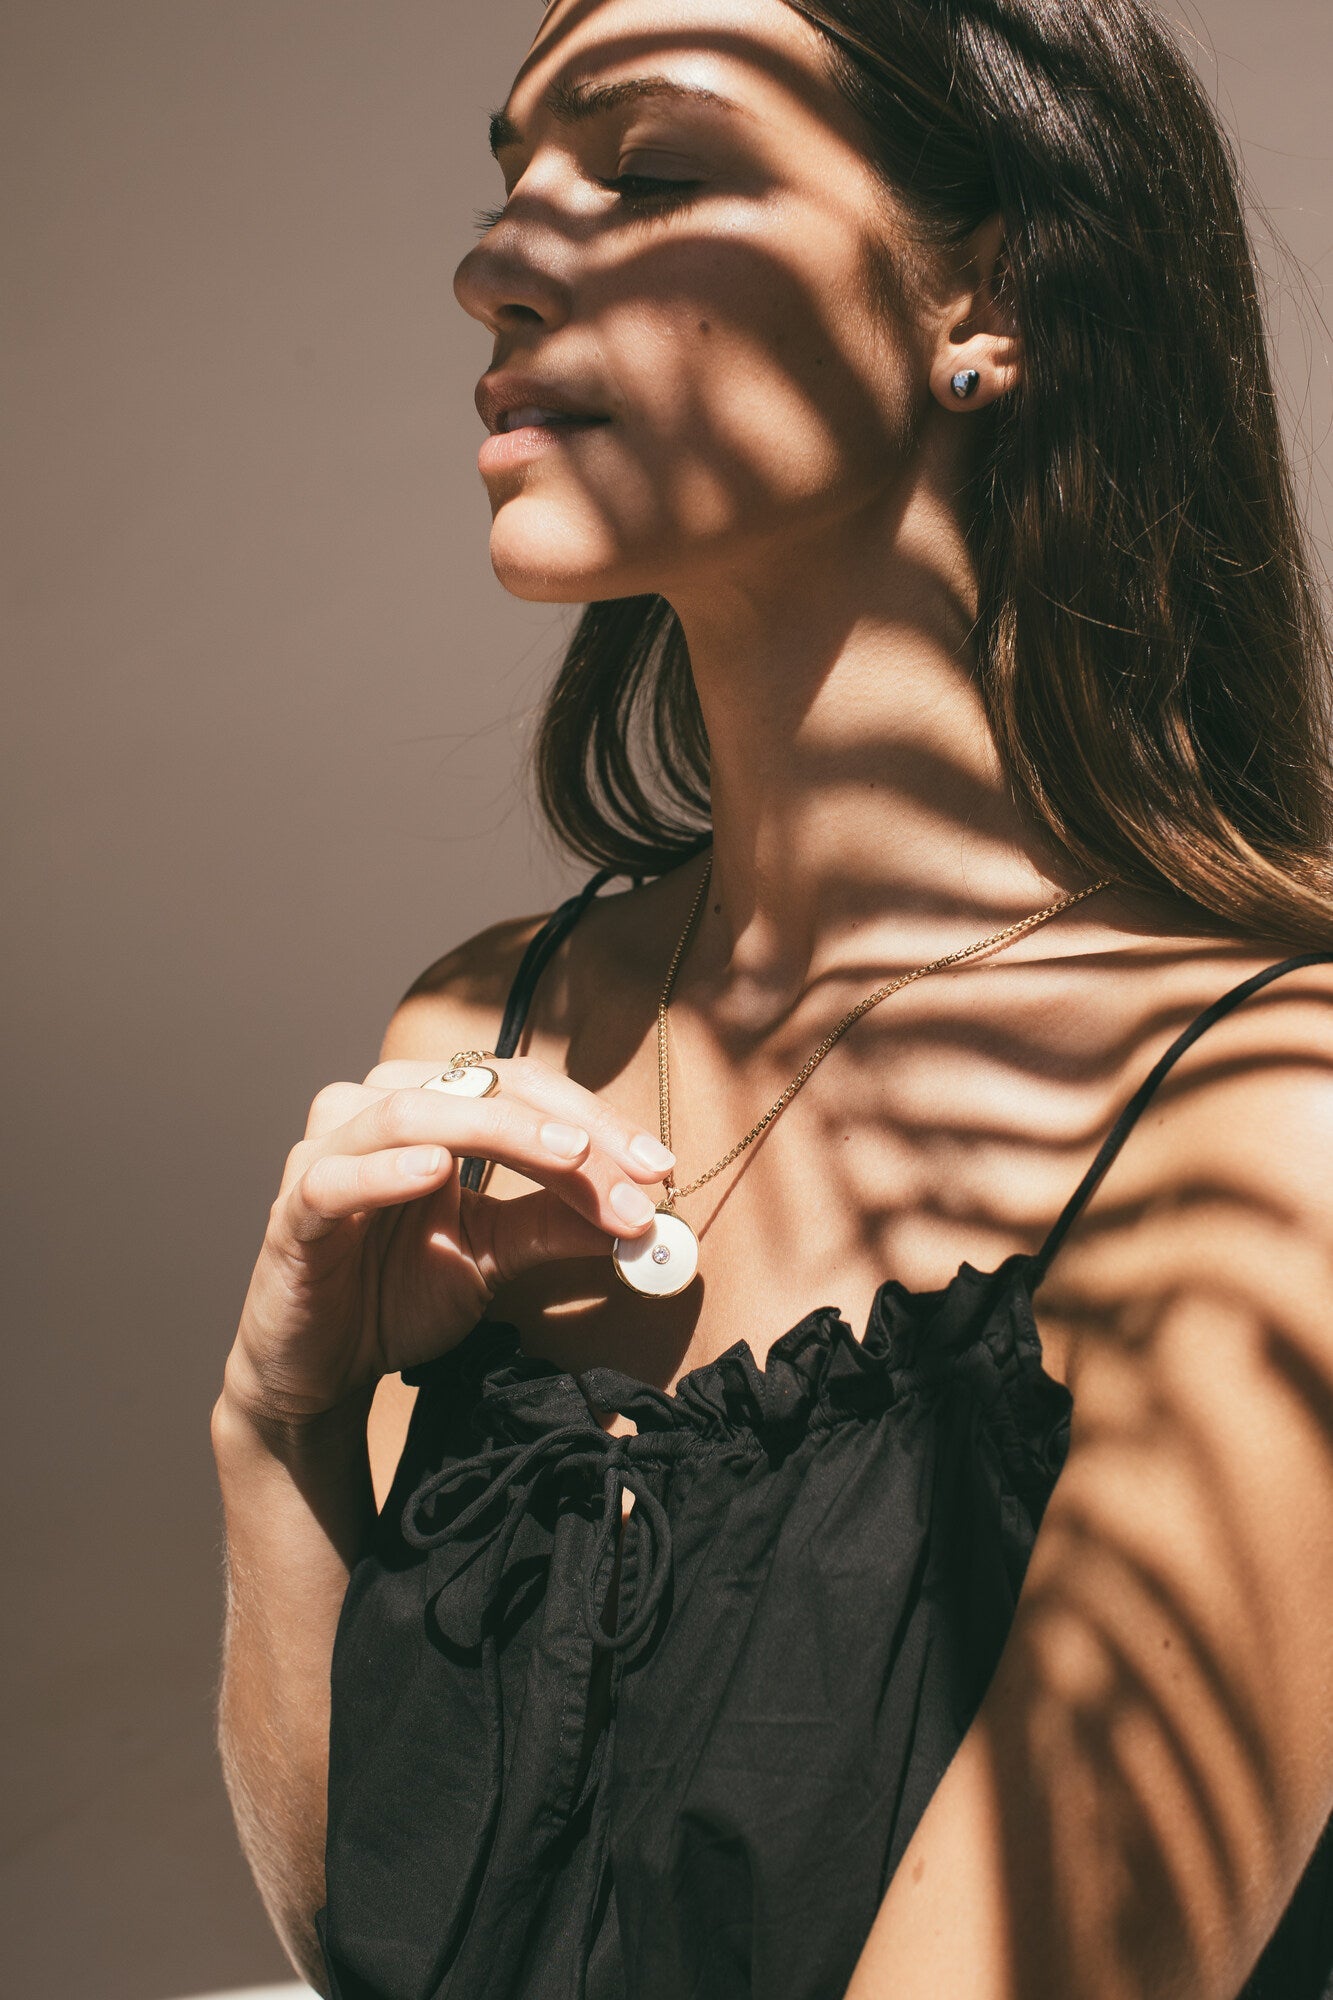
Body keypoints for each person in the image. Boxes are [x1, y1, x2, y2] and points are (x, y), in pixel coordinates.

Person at [211, 0, 1333, 1994]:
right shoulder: (485, 1040)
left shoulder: (1271, 1141)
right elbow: (377, 1936)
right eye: (509, 179)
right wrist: (274, 1427)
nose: (494, 259)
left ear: (977, 296)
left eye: (647, 172)